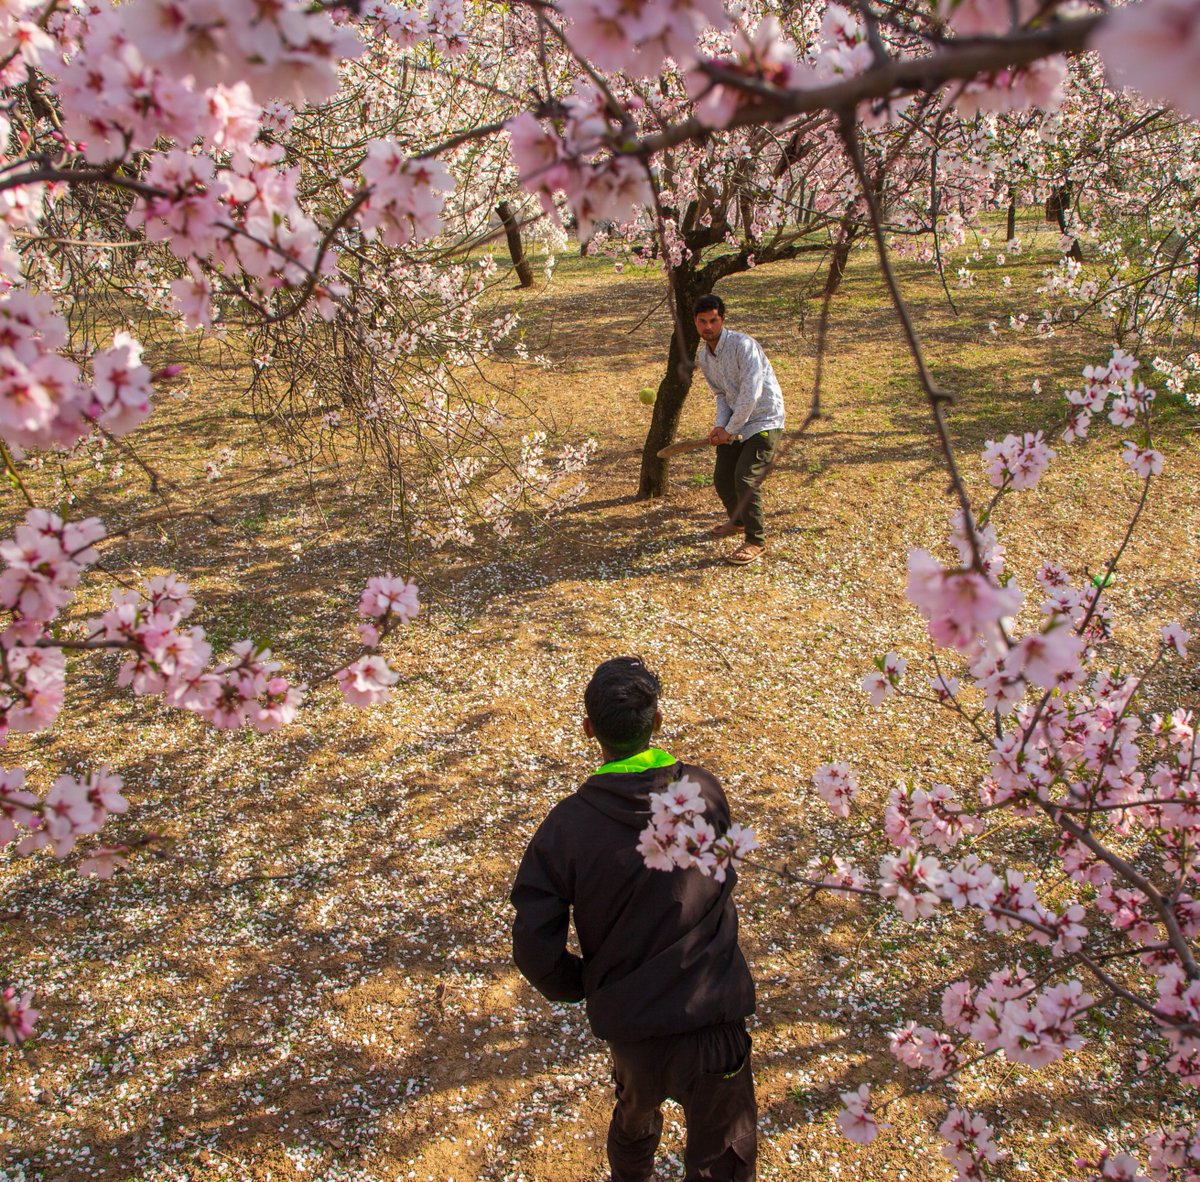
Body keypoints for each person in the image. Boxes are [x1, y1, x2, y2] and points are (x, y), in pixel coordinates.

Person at [510, 656, 757, 1182]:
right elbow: (724, 873)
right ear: (658, 723)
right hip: (714, 1021)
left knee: (633, 1125)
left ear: (588, 730)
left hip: (632, 1030)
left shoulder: (568, 826)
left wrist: (585, 984)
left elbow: (534, 943)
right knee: (725, 1158)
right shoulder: (704, 793)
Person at [693, 293, 785, 566]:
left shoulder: (743, 346)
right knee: (723, 478)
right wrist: (721, 425)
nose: (708, 327)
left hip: (763, 420)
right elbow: (721, 395)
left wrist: (730, 429)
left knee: (744, 478)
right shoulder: (704, 357)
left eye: (713, 320)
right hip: (735, 423)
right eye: (702, 321)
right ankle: (739, 521)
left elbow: (751, 393)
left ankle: (756, 540)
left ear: (722, 320)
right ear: (695, 323)